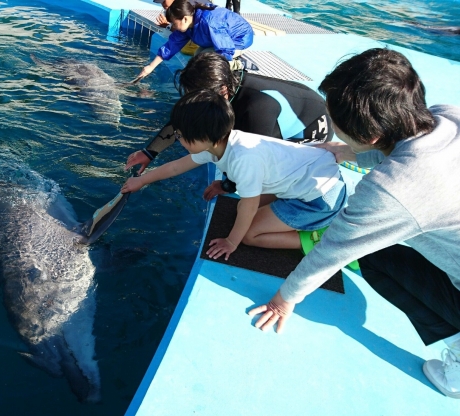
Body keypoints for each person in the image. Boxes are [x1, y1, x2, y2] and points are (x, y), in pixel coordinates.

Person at [246, 48, 460, 399]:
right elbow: (397, 146)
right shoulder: (446, 115)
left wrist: (285, 299)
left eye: (338, 125)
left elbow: (333, 250)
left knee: (371, 256)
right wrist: (344, 151)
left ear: (371, 135)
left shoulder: (393, 190)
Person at [121, 89, 346, 260]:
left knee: (249, 234)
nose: (177, 138)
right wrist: (141, 181)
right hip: (308, 179)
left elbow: (249, 203)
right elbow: (176, 167)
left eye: (180, 134)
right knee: (242, 210)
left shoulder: (243, 158)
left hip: (320, 199)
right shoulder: (219, 142)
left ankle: (317, 238)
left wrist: (231, 241)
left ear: (204, 137)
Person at [126, 52, 333, 199]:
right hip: (297, 109)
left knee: (268, 174)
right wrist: (150, 152)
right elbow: (187, 117)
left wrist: (228, 185)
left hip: (312, 129)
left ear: (222, 90)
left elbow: (254, 158)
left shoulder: (255, 109)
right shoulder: (224, 89)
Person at [135, 0, 254, 82]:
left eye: (174, 24)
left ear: (185, 19)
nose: (173, 27)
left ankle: (238, 63)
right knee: (197, 57)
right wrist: (150, 67)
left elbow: (225, 49)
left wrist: (218, 69)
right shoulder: (188, 23)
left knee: (206, 63)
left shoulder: (210, 22)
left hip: (238, 40)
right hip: (219, 40)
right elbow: (171, 46)